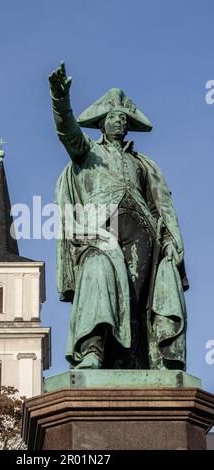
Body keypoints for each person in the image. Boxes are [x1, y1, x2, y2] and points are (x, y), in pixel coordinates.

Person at [49, 62, 188, 370]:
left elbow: (160, 208)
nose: (119, 123)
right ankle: (92, 352)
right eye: (113, 118)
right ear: (102, 124)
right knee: (97, 275)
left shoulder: (143, 163)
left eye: (123, 119)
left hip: (143, 234)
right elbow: (67, 132)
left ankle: (137, 362)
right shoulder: (88, 153)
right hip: (100, 230)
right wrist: (60, 101)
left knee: (136, 304)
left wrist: (168, 241)